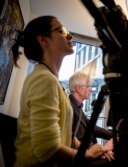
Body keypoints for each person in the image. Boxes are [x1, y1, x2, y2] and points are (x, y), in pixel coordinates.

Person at [12, 15, 113, 167]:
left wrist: (91, 150)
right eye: (61, 30)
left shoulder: (54, 82)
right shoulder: (43, 79)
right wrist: (88, 154)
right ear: (43, 40)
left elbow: (67, 135)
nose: (69, 35)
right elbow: (47, 149)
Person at [68, 71, 113, 154]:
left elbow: (92, 127)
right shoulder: (69, 107)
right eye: (88, 86)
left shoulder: (77, 106)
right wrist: (99, 150)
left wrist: (112, 135)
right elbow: (74, 137)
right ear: (78, 88)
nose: (91, 89)